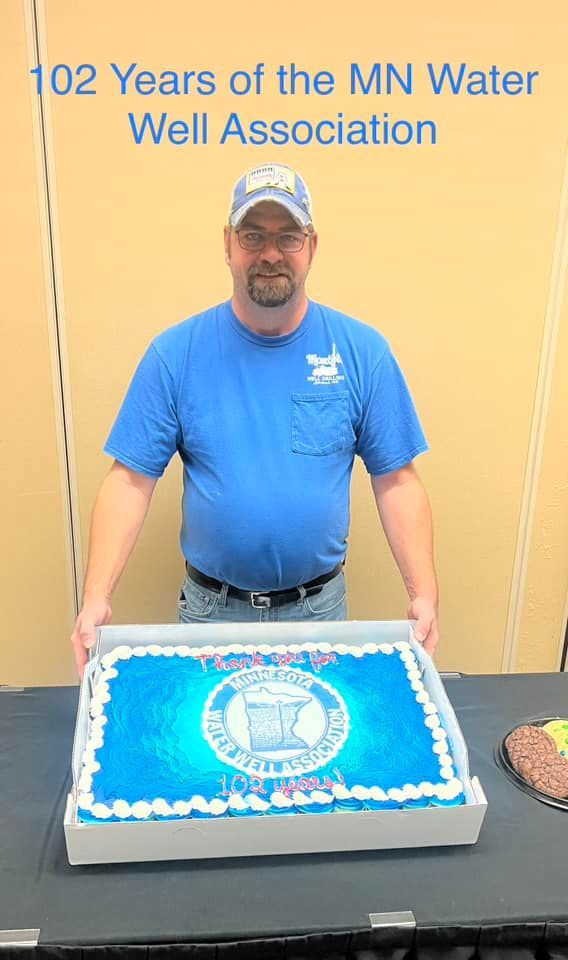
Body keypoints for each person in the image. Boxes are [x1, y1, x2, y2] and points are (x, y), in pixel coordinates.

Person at [71, 162, 439, 676]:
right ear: (227, 244)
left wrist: (423, 595)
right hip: (209, 615)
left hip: (319, 614)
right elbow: (130, 480)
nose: (270, 254)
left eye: (288, 236)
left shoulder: (362, 353)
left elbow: (397, 479)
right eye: (253, 235)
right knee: (208, 756)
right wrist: (95, 599)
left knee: (320, 753)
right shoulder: (175, 354)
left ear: (312, 246)